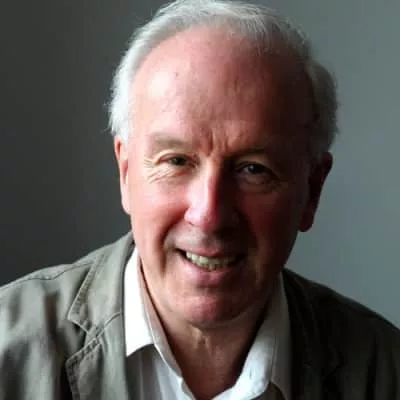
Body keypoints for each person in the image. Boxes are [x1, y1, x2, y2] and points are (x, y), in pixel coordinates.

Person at [0, 0, 399, 398]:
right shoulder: (8, 351)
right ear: (126, 173)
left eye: (253, 169)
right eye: (176, 161)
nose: (209, 215)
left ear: (312, 189)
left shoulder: (386, 372)